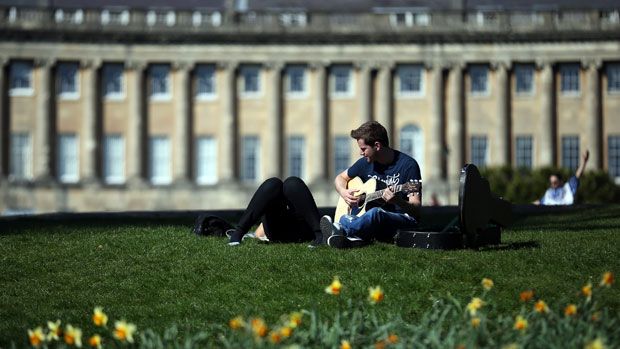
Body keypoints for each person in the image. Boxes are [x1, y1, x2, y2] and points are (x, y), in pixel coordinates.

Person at [321, 121, 422, 248]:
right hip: (373, 222)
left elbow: (416, 209)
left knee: (376, 213)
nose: (360, 153)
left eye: (363, 149)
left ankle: (341, 228)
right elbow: (340, 178)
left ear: (377, 146)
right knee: (373, 214)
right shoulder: (365, 163)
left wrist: (398, 201)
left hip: (403, 219)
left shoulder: (408, 165)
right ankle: (353, 237)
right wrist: (343, 192)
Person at [227, 176, 324, 247]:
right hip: (278, 230)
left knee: (292, 184)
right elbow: (258, 234)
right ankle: (238, 233)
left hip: (301, 230)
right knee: (273, 183)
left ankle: (319, 233)